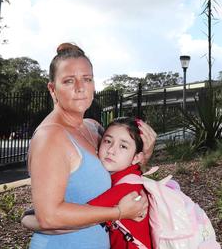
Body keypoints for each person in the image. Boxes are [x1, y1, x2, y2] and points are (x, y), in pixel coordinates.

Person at [28, 43, 157, 249]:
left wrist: (143, 154)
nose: (80, 88)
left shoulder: (94, 128)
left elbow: (116, 169)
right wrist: (119, 213)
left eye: (87, 79)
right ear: (52, 89)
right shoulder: (50, 137)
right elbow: (49, 217)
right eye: (69, 81)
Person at [24, 117, 153, 249]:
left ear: (137, 157)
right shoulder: (129, 177)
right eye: (108, 141)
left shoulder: (125, 189)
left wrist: (27, 220)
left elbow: (74, 219)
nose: (111, 150)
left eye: (123, 146)